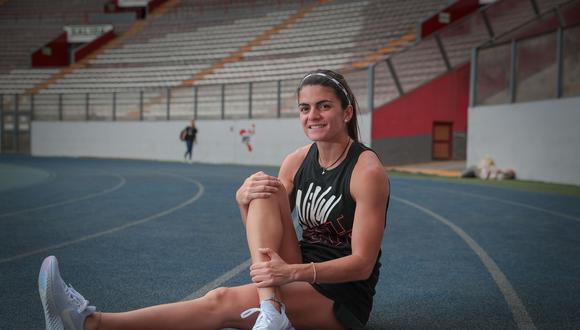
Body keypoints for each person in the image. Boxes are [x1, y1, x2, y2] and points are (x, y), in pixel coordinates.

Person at [38, 69, 390, 330]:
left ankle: (91, 323)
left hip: (341, 297)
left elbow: (361, 264)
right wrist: (242, 201)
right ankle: (272, 309)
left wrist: (291, 271)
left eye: (323, 106)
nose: (312, 116)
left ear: (346, 113)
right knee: (262, 187)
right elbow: (261, 231)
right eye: (304, 108)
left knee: (220, 300)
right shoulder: (297, 160)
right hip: (298, 272)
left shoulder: (366, 170)